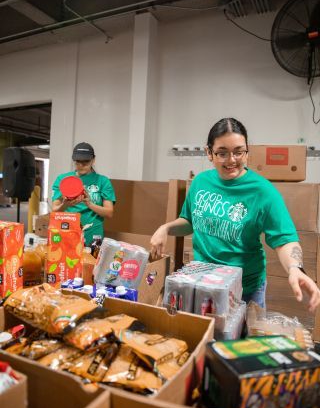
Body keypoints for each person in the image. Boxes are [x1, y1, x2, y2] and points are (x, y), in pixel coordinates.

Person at [151, 118, 320, 312]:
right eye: (222, 153)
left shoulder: (263, 192)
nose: (231, 160)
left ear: (247, 151)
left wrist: (295, 268)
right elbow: (189, 221)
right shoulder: (200, 182)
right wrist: (165, 228)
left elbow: (285, 239)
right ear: (209, 153)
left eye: (239, 152)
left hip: (244, 291)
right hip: (202, 283)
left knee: (241, 341)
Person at [52, 142, 115, 246]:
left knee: (90, 261)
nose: (81, 166)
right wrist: (66, 205)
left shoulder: (103, 181)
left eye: (85, 162)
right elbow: (54, 210)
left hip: (93, 235)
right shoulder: (63, 180)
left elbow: (109, 213)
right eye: (77, 162)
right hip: (67, 232)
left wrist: (90, 204)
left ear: (93, 160)